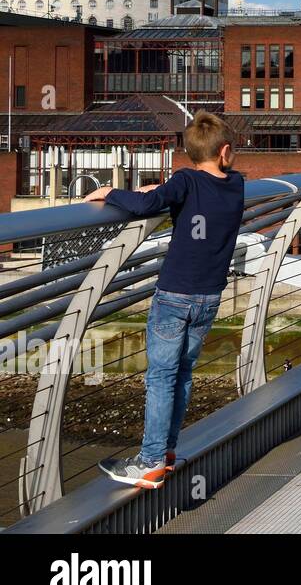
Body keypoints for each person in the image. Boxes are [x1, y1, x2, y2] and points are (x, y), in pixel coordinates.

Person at [91, 111, 246, 489]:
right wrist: (164, 188)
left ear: (190, 154)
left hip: (174, 294)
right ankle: (167, 451)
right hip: (209, 296)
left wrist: (109, 193)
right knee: (183, 373)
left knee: (161, 377)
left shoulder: (186, 180)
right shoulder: (237, 184)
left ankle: (151, 461)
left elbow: (148, 205)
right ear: (225, 152)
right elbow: (194, 190)